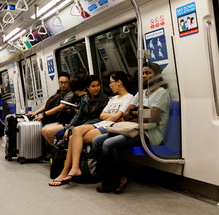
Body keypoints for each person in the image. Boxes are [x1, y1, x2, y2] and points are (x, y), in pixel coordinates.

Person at [92, 62, 170, 193]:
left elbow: (153, 118)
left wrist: (136, 112)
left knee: (108, 144)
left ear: (158, 75)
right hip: (132, 129)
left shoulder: (162, 94)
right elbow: (126, 114)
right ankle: (118, 176)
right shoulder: (141, 93)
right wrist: (142, 111)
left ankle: (109, 182)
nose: (144, 76)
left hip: (150, 133)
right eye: (143, 73)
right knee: (96, 141)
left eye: (148, 73)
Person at [48, 71, 134, 186]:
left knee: (74, 137)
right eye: (93, 86)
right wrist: (113, 116)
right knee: (75, 132)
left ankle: (67, 171)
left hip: (108, 126)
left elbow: (116, 116)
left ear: (118, 82)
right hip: (102, 123)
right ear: (87, 88)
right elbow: (103, 116)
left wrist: (113, 116)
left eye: (111, 82)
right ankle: (72, 169)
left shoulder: (127, 98)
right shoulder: (112, 99)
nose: (108, 85)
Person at [41, 75, 88, 145]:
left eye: (66, 83)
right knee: (44, 130)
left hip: (77, 123)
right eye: (61, 82)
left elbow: (81, 114)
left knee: (50, 132)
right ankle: (56, 151)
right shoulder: (66, 94)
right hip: (68, 121)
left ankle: (59, 151)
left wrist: (72, 108)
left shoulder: (84, 98)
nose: (63, 85)